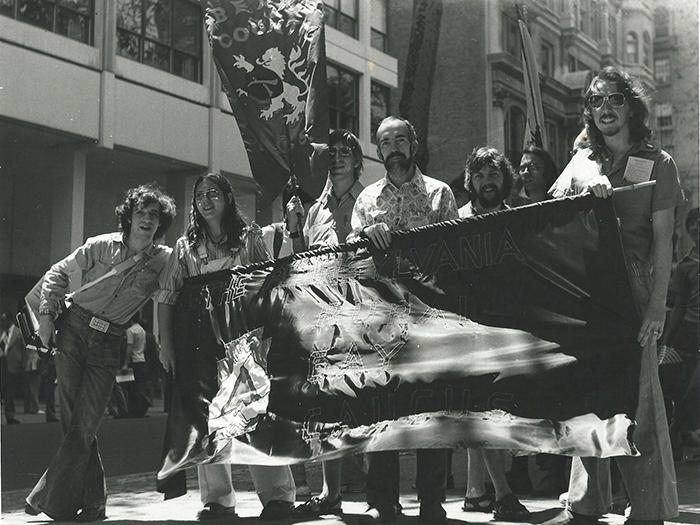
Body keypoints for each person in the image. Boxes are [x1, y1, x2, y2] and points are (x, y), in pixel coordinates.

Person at [549, 66, 683, 525]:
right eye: (595, 101)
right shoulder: (583, 160)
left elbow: (665, 241)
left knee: (638, 405)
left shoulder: (658, 163)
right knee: (587, 401)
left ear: (632, 106)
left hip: (635, 292)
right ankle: (586, 503)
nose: (604, 109)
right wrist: (584, 188)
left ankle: (647, 511)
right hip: (586, 295)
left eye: (614, 100)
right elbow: (551, 220)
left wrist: (656, 306)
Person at [25, 184, 177, 522]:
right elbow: (58, 273)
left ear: (161, 222)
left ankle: (47, 495)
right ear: (129, 216)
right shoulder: (99, 245)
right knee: (73, 421)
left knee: (87, 420)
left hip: (110, 342)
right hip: (73, 332)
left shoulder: (164, 261)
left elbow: (180, 286)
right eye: (141, 213)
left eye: (155, 215)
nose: (148, 220)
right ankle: (93, 504)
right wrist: (47, 316)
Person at [157, 172, 296, 521]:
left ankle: (278, 497)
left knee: (256, 416)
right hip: (200, 344)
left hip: (244, 341)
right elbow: (166, 297)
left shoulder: (248, 238)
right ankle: (218, 500)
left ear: (227, 199)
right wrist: (166, 345)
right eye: (200, 195)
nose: (206, 200)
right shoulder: (184, 247)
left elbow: (267, 284)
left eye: (213, 193)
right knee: (211, 420)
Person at [349, 116, 458, 523]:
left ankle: (432, 500)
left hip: (429, 320)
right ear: (378, 151)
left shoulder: (439, 194)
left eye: (400, 139)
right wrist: (366, 234)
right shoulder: (366, 200)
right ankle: (382, 499)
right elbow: (353, 261)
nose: (393, 147)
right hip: (381, 323)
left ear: (413, 144)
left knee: (432, 412)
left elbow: (454, 254)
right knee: (383, 412)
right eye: (384, 142)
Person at [289, 129, 366, 519]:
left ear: (357, 161)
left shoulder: (369, 200)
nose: (336, 159)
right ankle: (330, 492)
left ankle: (375, 486)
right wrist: (293, 229)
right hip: (322, 319)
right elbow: (301, 264)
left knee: (367, 403)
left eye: (344, 152)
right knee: (327, 405)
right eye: (331, 153)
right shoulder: (314, 210)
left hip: (364, 315)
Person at [458, 147, 530, 522]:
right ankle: (503, 493)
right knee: (480, 408)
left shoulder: (518, 219)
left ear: (506, 180)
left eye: (494, 175)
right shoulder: (455, 222)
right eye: (480, 175)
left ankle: (476, 492)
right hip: (470, 328)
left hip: (510, 326)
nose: (488, 182)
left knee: (500, 408)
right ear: (470, 181)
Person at [659, 207, 699, 452]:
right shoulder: (685, 266)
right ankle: (676, 434)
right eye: (692, 223)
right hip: (690, 334)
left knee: (695, 387)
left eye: (699, 222)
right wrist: (666, 339)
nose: (695, 227)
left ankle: (677, 431)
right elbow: (679, 307)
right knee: (687, 388)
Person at [1, 312, 24, 424]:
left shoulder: (19, 332)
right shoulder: (1, 333)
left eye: (4, 320)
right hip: (2, 363)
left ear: (10, 321)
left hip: (12, 365)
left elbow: (24, 351)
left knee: (9, 392)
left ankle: (10, 416)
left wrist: (24, 364)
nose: (2, 322)